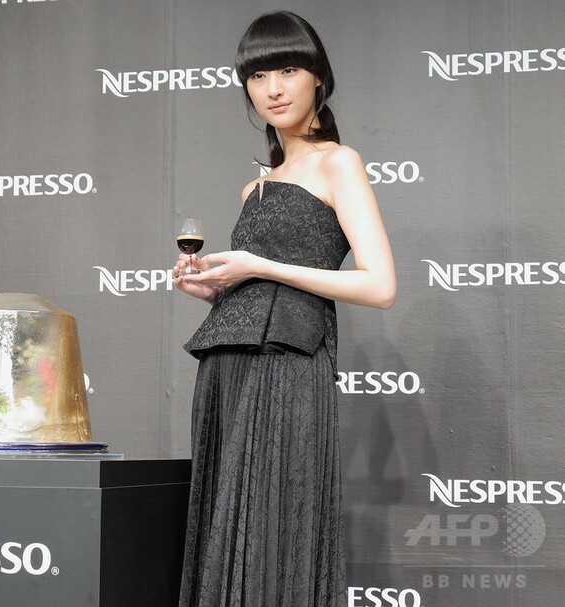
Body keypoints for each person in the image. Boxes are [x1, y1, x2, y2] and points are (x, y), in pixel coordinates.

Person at [173, 10, 396, 607]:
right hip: (226, 368)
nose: (272, 89)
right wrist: (215, 291)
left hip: (289, 367)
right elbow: (262, 287)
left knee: (276, 526)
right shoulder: (256, 186)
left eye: (288, 70)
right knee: (227, 526)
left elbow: (380, 286)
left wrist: (261, 265)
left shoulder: (337, 162)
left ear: (318, 77)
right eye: (257, 75)